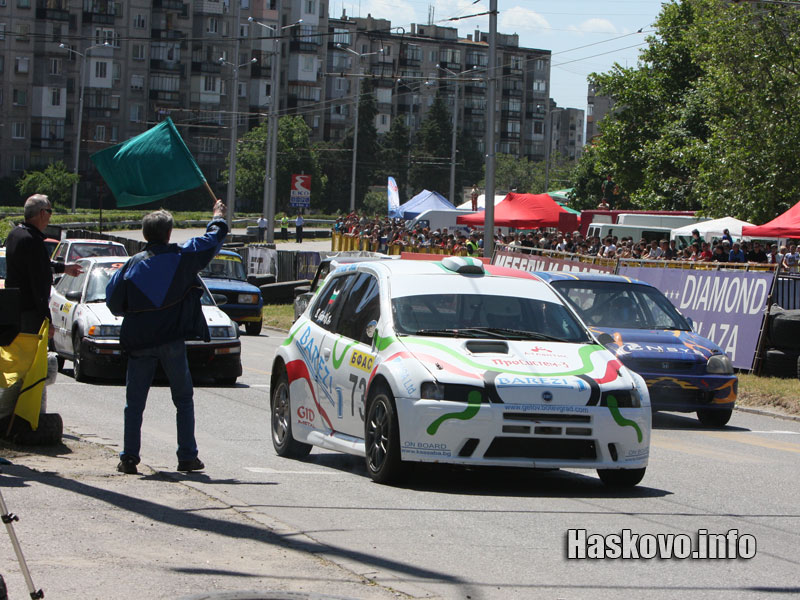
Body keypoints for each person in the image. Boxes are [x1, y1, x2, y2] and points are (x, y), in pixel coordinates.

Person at [105, 200, 228, 475]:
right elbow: (212, 239)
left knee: (134, 403)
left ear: (145, 234)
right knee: (183, 399)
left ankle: (129, 458)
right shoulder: (182, 256)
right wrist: (218, 215)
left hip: (139, 341)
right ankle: (187, 457)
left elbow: (113, 302)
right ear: (169, 233)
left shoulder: (130, 266)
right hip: (171, 340)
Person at [4, 194, 82, 335]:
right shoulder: (32, 240)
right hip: (29, 314)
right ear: (41, 213)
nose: (50, 217)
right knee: (31, 355)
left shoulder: (14, 234)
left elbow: (40, 265)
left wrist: (64, 268)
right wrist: (47, 319)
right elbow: (38, 283)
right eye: (50, 211)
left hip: (13, 309)